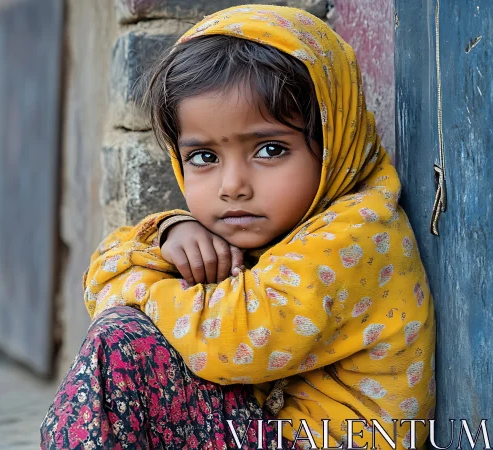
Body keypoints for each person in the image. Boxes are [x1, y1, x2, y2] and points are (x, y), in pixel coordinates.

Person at [41, 5, 436, 449]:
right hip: (265, 427)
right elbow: (98, 280)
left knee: (120, 344)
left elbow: (232, 340)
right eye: (204, 158)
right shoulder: (273, 223)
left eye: (269, 150)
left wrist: (141, 286)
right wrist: (171, 233)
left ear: (333, 140)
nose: (233, 186)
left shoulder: (360, 236)